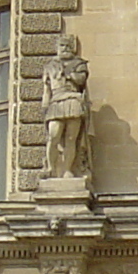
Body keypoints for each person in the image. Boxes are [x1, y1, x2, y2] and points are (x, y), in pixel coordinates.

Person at [44, 32, 91, 178]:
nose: (65, 48)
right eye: (61, 45)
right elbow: (46, 89)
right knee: (54, 135)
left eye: (67, 45)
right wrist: (44, 108)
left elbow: (81, 80)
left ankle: (67, 170)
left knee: (71, 138)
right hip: (56, 101)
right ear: (57, 47)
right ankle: (50, 167)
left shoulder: (79, 64)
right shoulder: (50, 66)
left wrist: (68, 74)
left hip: (73, 100)